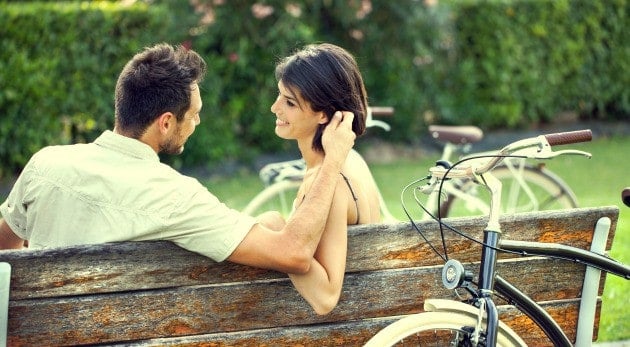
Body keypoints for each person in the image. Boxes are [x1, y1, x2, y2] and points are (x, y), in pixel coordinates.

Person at [0, 43, 357, 277]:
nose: (197, 123)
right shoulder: (175, 196)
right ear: (166, 122)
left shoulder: (45, 164)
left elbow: (6, 246)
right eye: (194, 116)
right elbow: (294, 252)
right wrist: (334, 158)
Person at [270, 43, 382, 314]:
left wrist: (273, 230)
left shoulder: (328, 181)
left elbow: (325, 297)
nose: (275, 108)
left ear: (324, 113)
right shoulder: (351, 160)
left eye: (289, 103)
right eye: (279, 96)